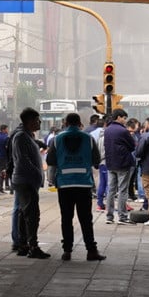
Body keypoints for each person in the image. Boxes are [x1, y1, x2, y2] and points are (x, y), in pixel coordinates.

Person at [46, 112, 104, 261]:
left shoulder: (57, 139)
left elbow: (50, 160)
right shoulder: (88, 138)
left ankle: (67, 251)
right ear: (80, 124)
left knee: (66, 218)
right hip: (83, 183)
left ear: (65, 123)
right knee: (85, 219)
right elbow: (96, 160)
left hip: (64, 184)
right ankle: (91, 251)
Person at [11, 107, 51, 259]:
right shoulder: (21, 137)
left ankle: (24, 245)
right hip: (25, 180)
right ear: (29, 121)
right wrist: (36, 171)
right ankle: (32, 246)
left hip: (27, 180)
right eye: (37, 120)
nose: (39, 122)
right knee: (32, 214)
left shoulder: (27, 136)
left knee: (24, 213)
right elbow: (23, 160)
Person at [103, 109, 137, 224]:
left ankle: (109, 216)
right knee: (123, 190)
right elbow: (132, 146)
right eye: (124, 118)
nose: (125, 120)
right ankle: (122, 216)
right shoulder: (123, 131)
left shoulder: (107, 130)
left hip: (110, 163)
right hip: (123, 163)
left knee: (111, 190)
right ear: (118, 117)